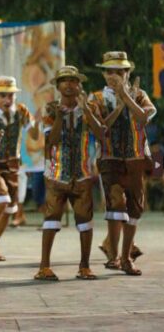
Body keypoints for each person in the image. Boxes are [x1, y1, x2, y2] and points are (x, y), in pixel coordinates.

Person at [34, 66, 105, 281]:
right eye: (64, 81)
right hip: (57, 174)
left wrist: (87, 111)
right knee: (51, 220)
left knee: (85, 221)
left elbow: (101, 133)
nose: (68, 85)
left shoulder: (89, 107)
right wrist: (58, 117)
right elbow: (51, 141)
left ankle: (84, 266)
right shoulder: (50, 109)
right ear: (57, 87)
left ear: (79, 86)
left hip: (82, 174)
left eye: (73, 81)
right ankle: (44, 267)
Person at [89, 51, 156, 276]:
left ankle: (126, 257)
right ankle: (115, 255)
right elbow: (99, 128)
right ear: (104, 74)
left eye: (120, 71)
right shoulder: (95, 98)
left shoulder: (140, 95)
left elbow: (144, 117)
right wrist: (118, 106)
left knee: (135, 209)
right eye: (110, 71)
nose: (114, 75)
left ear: (128, 73)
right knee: (116, 205)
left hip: (136, 158)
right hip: (110, 158)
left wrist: (126, 97)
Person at [0, 76, 40, 261]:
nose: (7, 100)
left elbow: (34, 133)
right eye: (3, 95)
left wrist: (36, 124)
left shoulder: (21, 111)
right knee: (2, 199)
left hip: (13, 165)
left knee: (10, 209)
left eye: (11, 96)